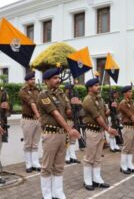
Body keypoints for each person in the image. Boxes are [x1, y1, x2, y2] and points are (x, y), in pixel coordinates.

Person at [37, 68, 80, 199]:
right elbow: (55, 114)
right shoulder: (43, 95)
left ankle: (58, 192)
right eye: (54, 78)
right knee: (47, 166)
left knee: (59, 166)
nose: (58, 80)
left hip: (62, 135)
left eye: (58, 78)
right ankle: (47, 194)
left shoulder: (62, 94)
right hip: (51, 134)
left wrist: (75, 106)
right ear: (46, 81)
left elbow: (67, 113)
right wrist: (69, 129)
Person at [82, 78, 118, 191]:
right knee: (89, 157)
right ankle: (87, 180)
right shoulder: (88, 100)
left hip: (100, 131)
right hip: (92, 131)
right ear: (90, 87)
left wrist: (112, 108)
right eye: (96, 85)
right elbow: (97, 117)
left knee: (97, 157)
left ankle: (96, 179)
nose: (98, 87)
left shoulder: (100, 99)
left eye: (98, 85)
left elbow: (104, 114)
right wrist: (108, 129)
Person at [19, 72, 42, 173]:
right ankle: (28, 164)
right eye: (31, 79)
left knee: (35, 143)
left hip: (37, 119)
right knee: (28, 143)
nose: (33, 81)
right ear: (27, 81)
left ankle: (35, 163)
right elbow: (32, 103)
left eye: (34, 79)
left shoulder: (38, 90)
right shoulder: (23, 91)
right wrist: (38, 114)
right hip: (28, 119)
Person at [63, 83, 81, 164]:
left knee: (73, 139)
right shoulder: (63, 98)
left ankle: (73, 156)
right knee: (67, 139)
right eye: (69, 89)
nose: (71, 91)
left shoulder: (74, 98)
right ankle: (67, 157)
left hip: (74, 120)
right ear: (66, 90)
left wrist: (78, 103)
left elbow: (80, 109)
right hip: (67, 120)